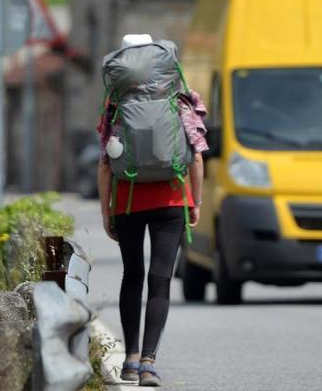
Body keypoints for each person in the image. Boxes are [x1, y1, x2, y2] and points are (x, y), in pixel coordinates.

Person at [97, 34, 208, 387]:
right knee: (160, 281)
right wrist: (195, 202)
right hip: (171, 202)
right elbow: (197, 157)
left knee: (132, 276)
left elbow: (103, 165)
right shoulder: (182, 105)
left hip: (129, 202)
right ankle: (148, 363)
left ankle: (128, 360)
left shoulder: (115, 106)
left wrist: (106, 211)